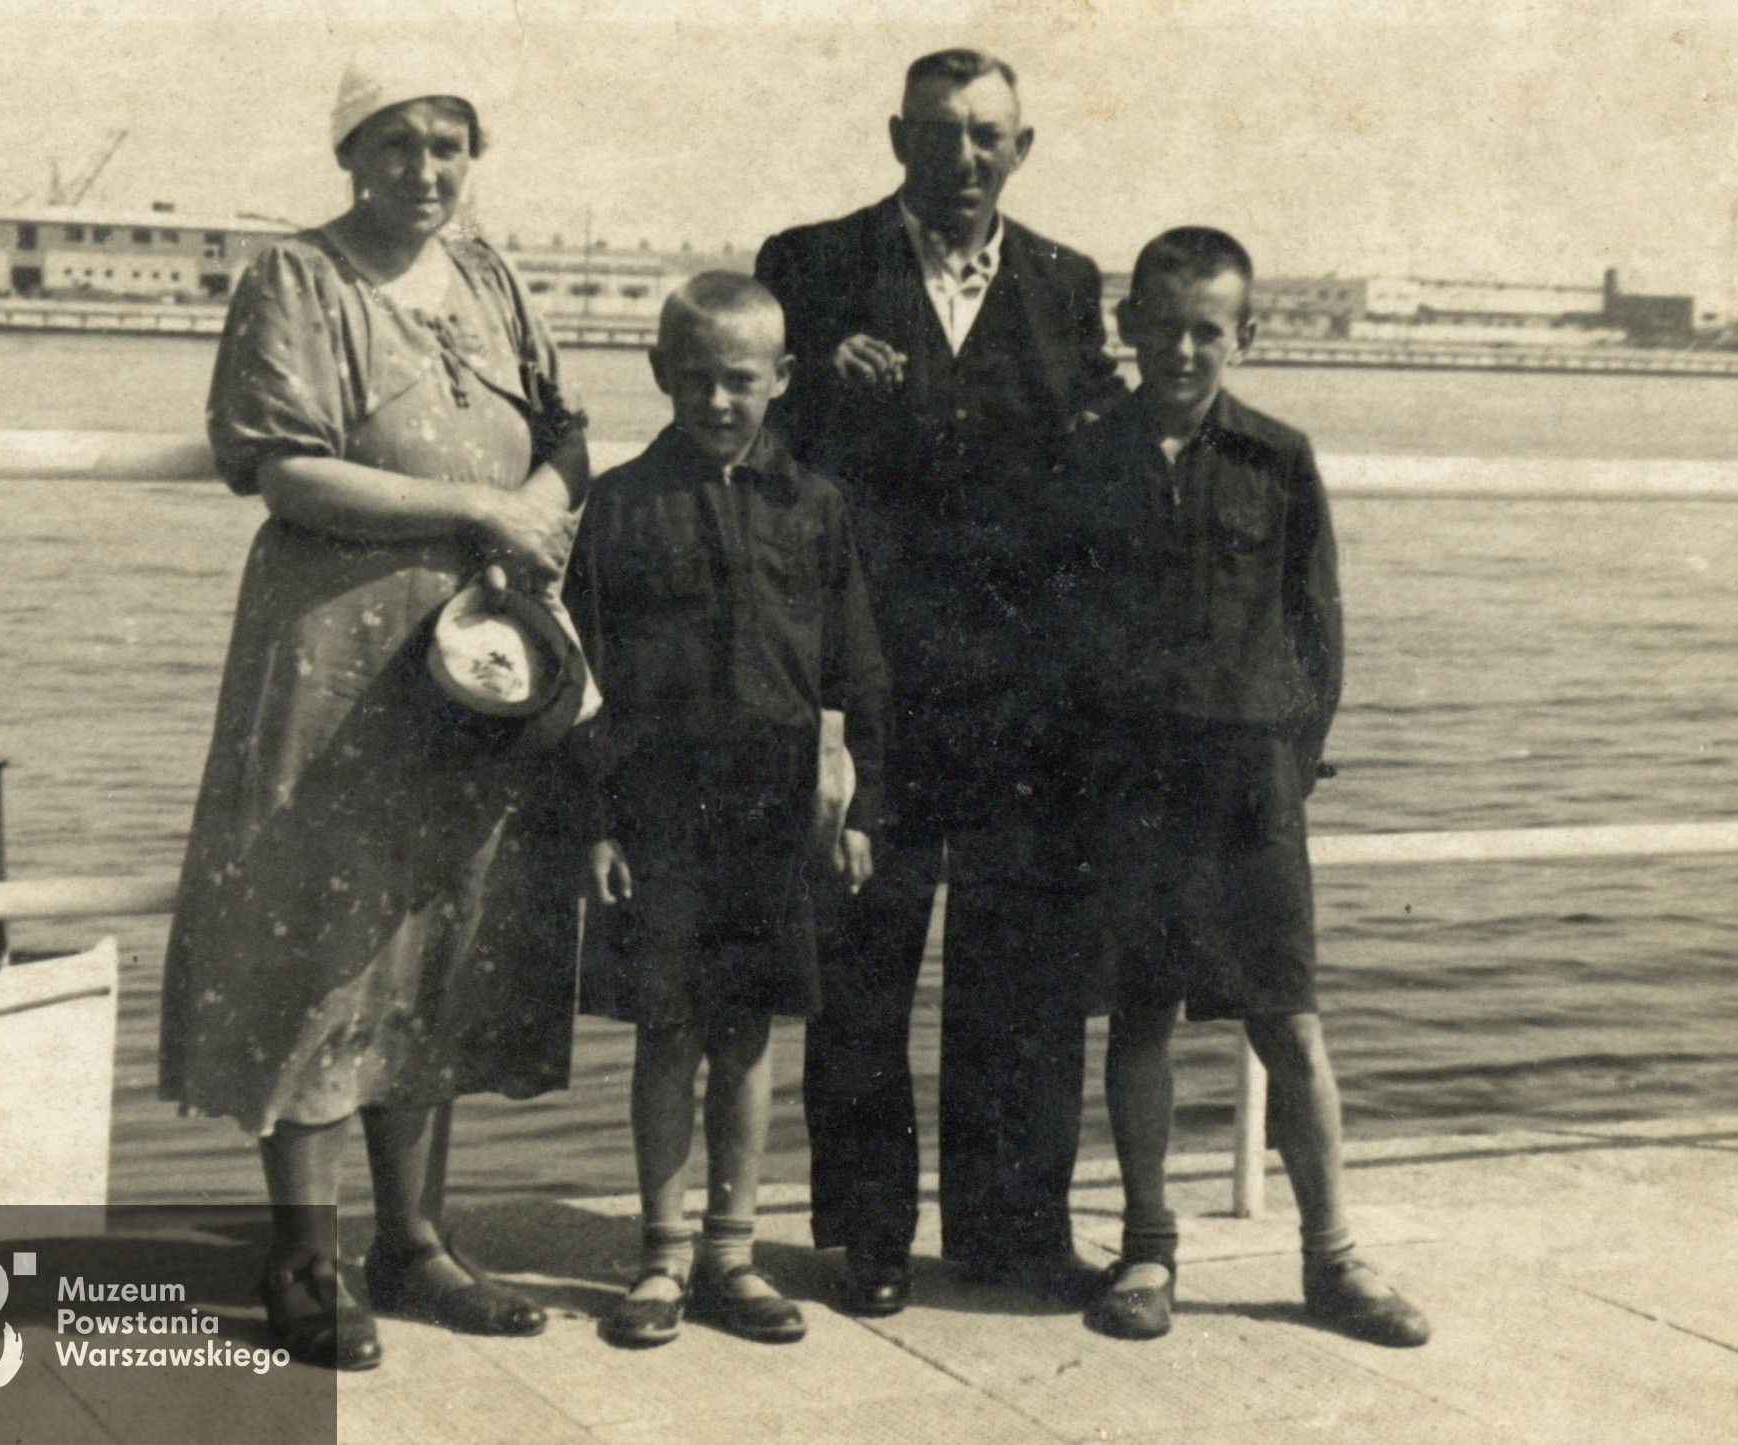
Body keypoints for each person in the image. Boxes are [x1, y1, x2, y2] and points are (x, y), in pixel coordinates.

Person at [157, 49, 593, 1371]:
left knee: (439, 931)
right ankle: (305, 1256)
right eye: (397, 146)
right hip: (335, 657)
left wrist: (548, 512)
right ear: (351, 156)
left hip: (475, 664)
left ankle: (416, 1241)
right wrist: (480, 507)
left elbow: (569, 432)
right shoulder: (298, 279)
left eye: (449, 146)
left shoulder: (493, 276)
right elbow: (285, 468)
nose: (425, 172)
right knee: (312, 927)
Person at [754, 48, 1121, 1315]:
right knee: (861, 960)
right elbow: (754, 442)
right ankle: (865, 1232)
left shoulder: (1069, 285)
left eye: (985, 136)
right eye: (936, 133)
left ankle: (1013, 1230)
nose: (960, 160)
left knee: (1023, 965)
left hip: (1027, 694)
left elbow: (1095, 466)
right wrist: (814, 389)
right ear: (894, 136)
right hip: (870, 679)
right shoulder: (807, 265)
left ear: (1023, 147)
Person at [1053, 226, 1430, 1348]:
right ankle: (1148, 1247)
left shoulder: (1277, 456)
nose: (1181, 348)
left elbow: (1321, 633)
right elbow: (1058, 628)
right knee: (1140, 1020)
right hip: (1129, 788)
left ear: (1244, 335)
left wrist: (1282, 760)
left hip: (1249, 790)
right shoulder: (1083, 459)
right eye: (1160, 325)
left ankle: (1333, 1255)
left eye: (1206, 330)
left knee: (1291, 1023)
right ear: (1125, 327)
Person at [568, 273, 889, 1347]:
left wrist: (853, 811)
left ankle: (730, 1251)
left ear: (782, 380)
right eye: (695, 378)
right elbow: (581, 679)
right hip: (657, 810)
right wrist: (597, 823)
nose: (716, 400)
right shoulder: (617, 504)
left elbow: (855, 671)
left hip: (771, 809)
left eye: (740, 381)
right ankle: (660, 1255)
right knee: (666, 1031)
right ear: (660, 373)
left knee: (748, 1035)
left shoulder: (817, 502)